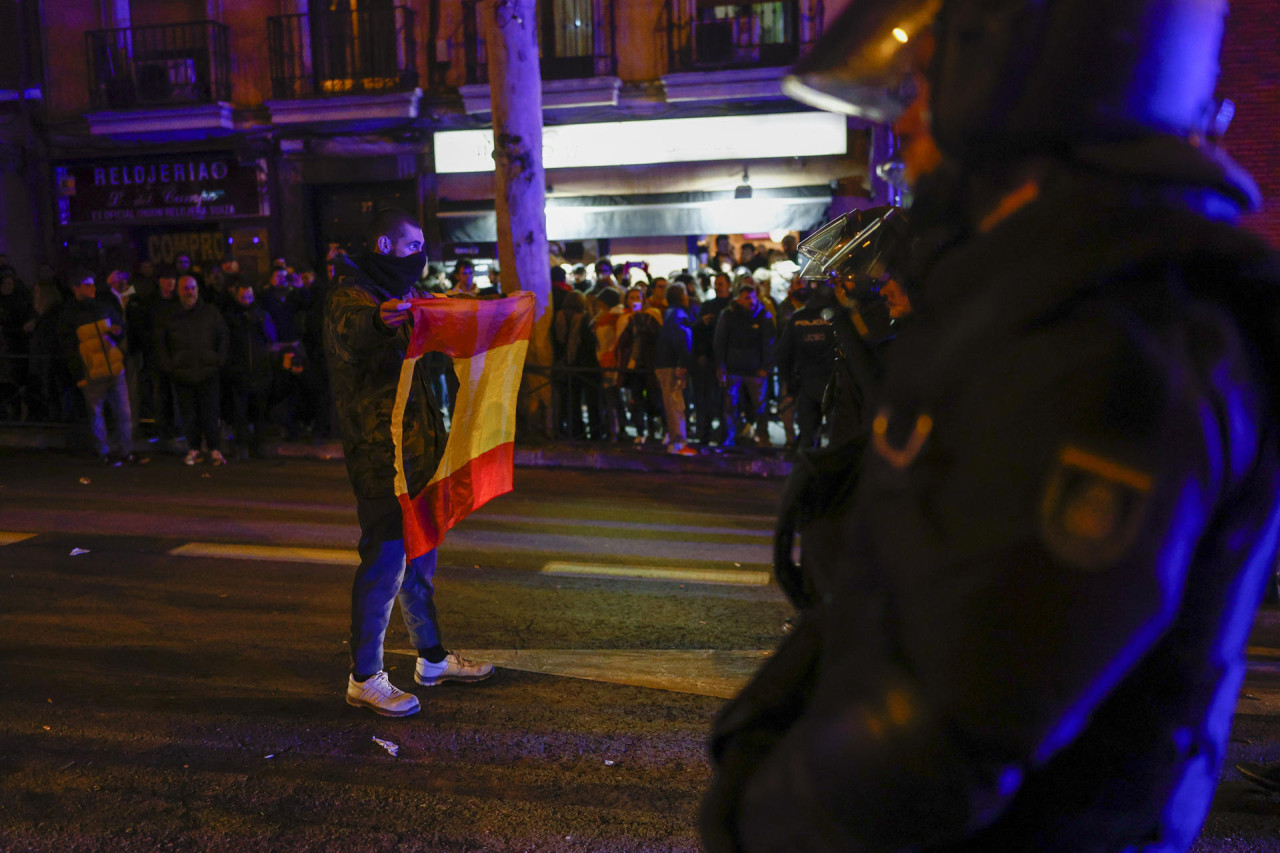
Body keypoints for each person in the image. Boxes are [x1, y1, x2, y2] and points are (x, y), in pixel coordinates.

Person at [702, 2, 1280, 852]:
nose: (908, 122)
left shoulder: (1113, 343)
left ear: (1038, 81)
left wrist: (760, 822)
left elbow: (946, 726)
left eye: (931, 81)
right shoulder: (1039, 296)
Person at [324, 208, 492, 718]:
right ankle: (365, 676)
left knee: (421, 558)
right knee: (385, 564)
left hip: (417, 454)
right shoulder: (352, 297)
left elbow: (440, 321)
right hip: (382, 459)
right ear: (383, 246)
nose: (420, 255)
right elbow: (355, 330)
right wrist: (382, 319)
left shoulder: (400, 296)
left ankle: (433, 658)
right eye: (411, 245)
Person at [57, 270, 135, 465]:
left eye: (92, 284)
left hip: (114, 369)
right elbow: (69, 348)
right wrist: (78, 375)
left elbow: (120, 329)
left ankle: (125, 451)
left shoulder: (104, 307)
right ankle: (104, 453)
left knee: (124, 413)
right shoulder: (70, 314)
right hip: (91, 373)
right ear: (76, 288)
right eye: (86, 285)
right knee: (97, 416)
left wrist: (117, 334)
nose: (91, 288)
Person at [157, 275, 228, 466]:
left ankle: (214, 448)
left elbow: (222, 337)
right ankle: (194, 448)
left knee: (210, 413)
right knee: (189, 414)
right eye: (185, 288)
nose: (189, 292)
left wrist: (218, 361)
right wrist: (170, 365)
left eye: (192, 288)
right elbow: (162, 343)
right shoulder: (170, 314)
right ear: (179, 291)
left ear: (197, 289)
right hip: (182, 373)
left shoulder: (210, 312)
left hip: (207, 371)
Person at [712, 282, 775, 448]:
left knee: (760, 406)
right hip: (734, 368)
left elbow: (769, 343)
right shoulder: (728, 314)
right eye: (747, 298)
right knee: (730, 406)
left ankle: (763, 437)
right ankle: (730, 436)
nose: (751, 301)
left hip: (755, 370)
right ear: (739, 299)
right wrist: (721, 366)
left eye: (753, 297)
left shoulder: (763, 315)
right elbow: (720, 341)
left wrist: (765, 367)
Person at [221, 279, 277, 459]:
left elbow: (271, 338)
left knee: (259, 413)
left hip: (259, 372)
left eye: (249, 296)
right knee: (240, 414)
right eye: (243, 296)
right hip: (240, 373)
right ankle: (241, 445)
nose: (247, 299)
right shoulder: (231, 317)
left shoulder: (261, 315)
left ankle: (258, 445)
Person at [654, 281, 697, 456]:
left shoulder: (672, 314)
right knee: (675, 402)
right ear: (681, 296)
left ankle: (677, 439)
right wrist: (683, 363)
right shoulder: (678, 316)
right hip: (671, 364)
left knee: (674, 402)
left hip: (668, 363)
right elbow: (682, 341)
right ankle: (678, 442)